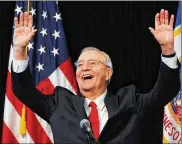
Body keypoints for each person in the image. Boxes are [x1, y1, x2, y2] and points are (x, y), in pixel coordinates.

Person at [11, 9, 180, 144]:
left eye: (92, 63)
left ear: (108, 72)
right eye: (80, 64)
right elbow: (24, 91)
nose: (84, 67)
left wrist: (167, 49)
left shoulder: (130, 102)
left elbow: (164, 92)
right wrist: (19, 51)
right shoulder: (60, 104)